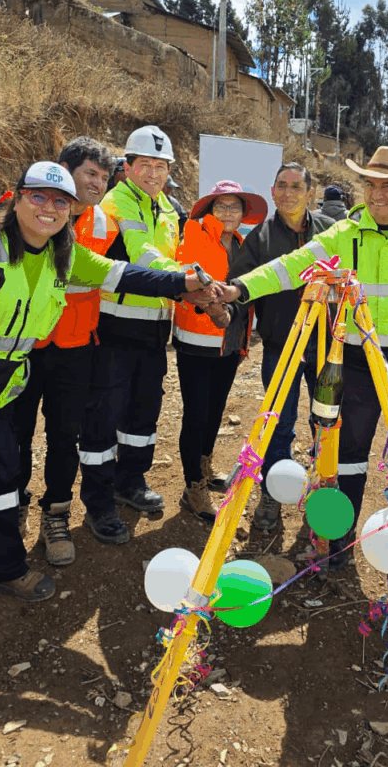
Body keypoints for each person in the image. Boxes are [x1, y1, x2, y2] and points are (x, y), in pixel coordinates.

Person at [0, 161, 213, 646]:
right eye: (38, 196)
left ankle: (4, 569)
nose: (49, 208)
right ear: (17, 198)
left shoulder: (63, 253)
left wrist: (185, 283)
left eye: (60, 202)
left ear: (71, 210)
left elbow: (121, 274)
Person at [221, 147, 388, 561]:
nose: (377, 195)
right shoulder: (345, 234)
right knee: (348, 453)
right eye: (370, 185)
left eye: (387, 186)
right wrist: (240, 288)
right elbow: (291, 266)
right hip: (358, 360)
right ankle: (340, 539)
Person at [12, 137, 118, 566]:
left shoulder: (106, 224)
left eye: (104, 177)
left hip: (75, 347)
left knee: (63, 437)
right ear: (64, 170)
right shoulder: (25, 208)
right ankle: (13, 505)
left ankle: (55, 515)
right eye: (90, 173)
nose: (97, 183)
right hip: (23, 345)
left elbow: (120, 274)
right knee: (15, 434)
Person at [79, 125, 182, 545]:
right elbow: (144, 255)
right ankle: (98, 502)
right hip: (115, 329)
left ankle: (131, 481)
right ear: (128, 166)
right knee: (103, 417)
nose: (153, 174)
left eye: (161, 167)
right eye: (146, 165)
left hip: (154, 330)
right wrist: (187, 279)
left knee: (143, 413)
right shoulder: (117, 201)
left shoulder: (169, 209)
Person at [227, 162, 334, 531]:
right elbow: (239, 284)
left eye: (296, 186)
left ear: (310, 193)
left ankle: (322, 490)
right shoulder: (260, 237)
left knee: (326, 422)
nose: (288, 193)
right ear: (272, 192)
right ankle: (272, 493)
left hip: (326, 347)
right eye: (281, 185)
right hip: (281, 347)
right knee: (278, 423)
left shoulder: (330, 231)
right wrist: (228, 318)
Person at [173, 181, 267, 523]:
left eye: (234, 207)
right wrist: (209, 307)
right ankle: (192, 487)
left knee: (214, 410)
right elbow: (184, 276)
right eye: (221, 206)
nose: (228, 213)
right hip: (197, 340)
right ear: (210, 210)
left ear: (243, 214)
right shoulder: (196, 234)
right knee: (196, 414)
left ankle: (204, 466)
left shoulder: (243, 243)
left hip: (230, 341)